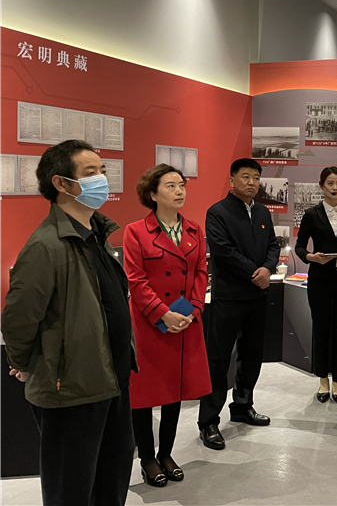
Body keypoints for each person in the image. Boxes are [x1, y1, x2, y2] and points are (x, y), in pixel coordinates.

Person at [2, 140, 135, 506]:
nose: (102, 180)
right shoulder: (46, 246)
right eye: (90, 173)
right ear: (61, 183)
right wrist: (23, 362)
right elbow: (18, 318)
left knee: (112, 477)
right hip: (71, 388)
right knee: (70, 487)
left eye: (102, 171)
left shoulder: (96, 234)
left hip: (112, 379)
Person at [123, 165, 211, 487]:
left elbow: (201, 272)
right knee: (145, 393)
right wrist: (162, 314)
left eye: (181, 185)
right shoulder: (135, 231)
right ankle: (147, 458)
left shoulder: (194, 230)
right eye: (171, 185)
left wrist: (193, 310)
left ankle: (167, 453)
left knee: (176, 388)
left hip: (185, 320)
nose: (179, 191)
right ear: (152, 193)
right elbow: (135, 279)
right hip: (149, 323)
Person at [198, 158, 280, 450]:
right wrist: (255, 273)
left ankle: (243, 406)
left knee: (252, 355)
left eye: (256, 177)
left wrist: (268, 269)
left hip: (258, 296)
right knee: (218, 360)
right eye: (246, 177)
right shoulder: (217, 212)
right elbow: (222, 251)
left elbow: (273, 245)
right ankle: (208, 421)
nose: (252, 182)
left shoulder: (262, 212)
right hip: (229, 297)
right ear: (232, 180)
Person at [295, 167, 337, 404]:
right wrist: (311, 257)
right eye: (330, 183)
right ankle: (323, 380)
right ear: (321, 185)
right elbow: (300, 246)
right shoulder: (311, 214)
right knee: (321, 332)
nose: (335, 188)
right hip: (320, 281)